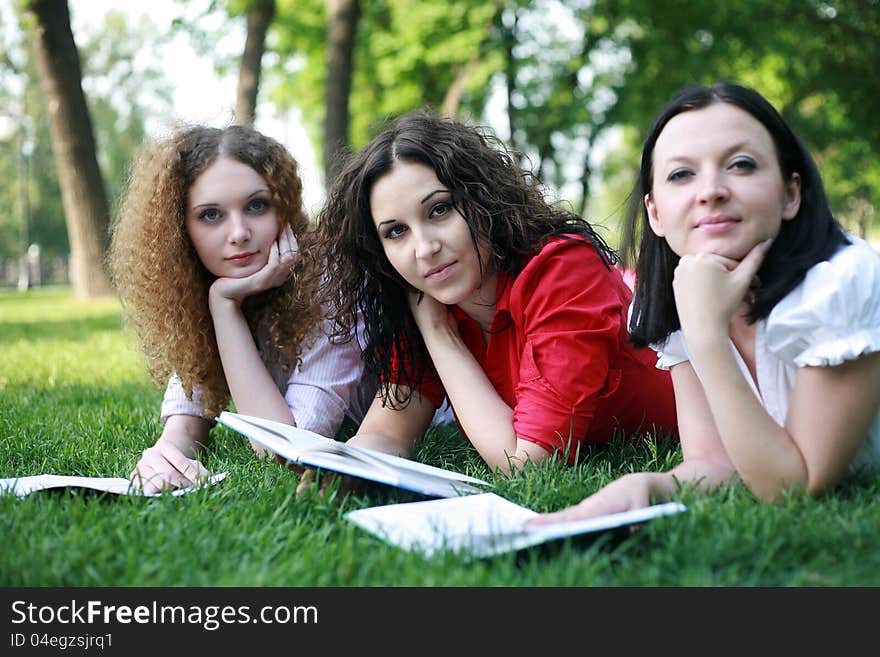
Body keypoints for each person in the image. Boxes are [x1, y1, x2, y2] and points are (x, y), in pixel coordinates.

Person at [530, 82, 880, 526]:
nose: (711, 190)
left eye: (741, 165)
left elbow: (791, 488)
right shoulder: (679, 293)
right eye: (682, 174)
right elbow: (716, 463)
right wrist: (645, 486)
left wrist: (708, 336)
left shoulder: (841, 284)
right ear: (655, 213)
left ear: (791, 193)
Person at [314, 111, 677, 478]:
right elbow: (389, 429)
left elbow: (528, 467)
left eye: (439, 210)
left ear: (482, 199)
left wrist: (440, 336)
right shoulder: (429, 294)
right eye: (395, 232)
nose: (424, 248)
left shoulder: (563, 269)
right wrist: (344, 468)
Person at [109, 124, 380, 493]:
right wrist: (166, 454)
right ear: (181, 228)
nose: (238, 233)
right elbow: (189, 416)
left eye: (256, 206)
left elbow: (285, 449)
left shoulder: (329, 282)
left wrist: (224, 306)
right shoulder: (202, 286)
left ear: (283, 208)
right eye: (210, 215)